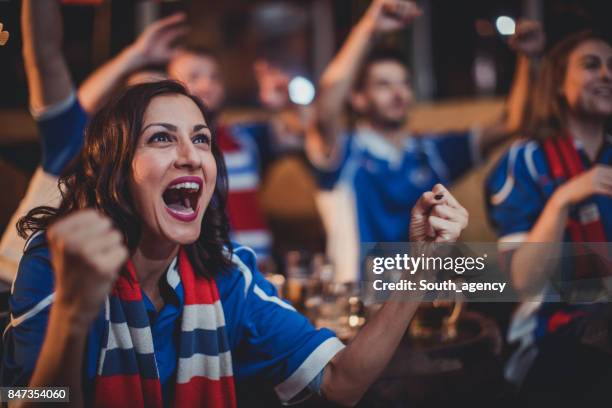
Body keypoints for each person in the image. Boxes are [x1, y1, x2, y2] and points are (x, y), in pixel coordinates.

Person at [2, 80, 469, 407]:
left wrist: (423, 264)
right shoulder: (57, 259)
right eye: (161, 138)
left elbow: (341, 382)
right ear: (117, 170)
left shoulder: (229, 276)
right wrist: (72, 316)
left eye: (201, 140)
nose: (190, 156)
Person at [306, 0, 529, 282]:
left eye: (405, 83)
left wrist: (527, 57)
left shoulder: (430, 151)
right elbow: (325, 104)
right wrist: (369, 27)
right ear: (358, 98)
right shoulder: (342, 152)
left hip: (423, 301)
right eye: (384, 84)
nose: (399, 93)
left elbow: (513, 123)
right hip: (359, 303)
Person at [0, 0, 187, 283]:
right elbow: (44, 55)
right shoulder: (79, 144)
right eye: (137, 96)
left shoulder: (164, 174)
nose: (151, 104)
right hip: (9, 286)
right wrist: (136, 55)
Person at [486, 29, 612, 400]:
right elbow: (524, 281)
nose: (606, 74)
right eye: (591, 65)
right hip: (551, 334)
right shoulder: (525, 159)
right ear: (558, 83)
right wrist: (562, 199)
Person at [167, 49, 275, 262]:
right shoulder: (166, 150)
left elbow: (302, 133)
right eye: (194, 77)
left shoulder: (243, 139)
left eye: (215, 77)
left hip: (257, 268)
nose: (208, 85)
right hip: (207, 272)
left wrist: (281, 105)